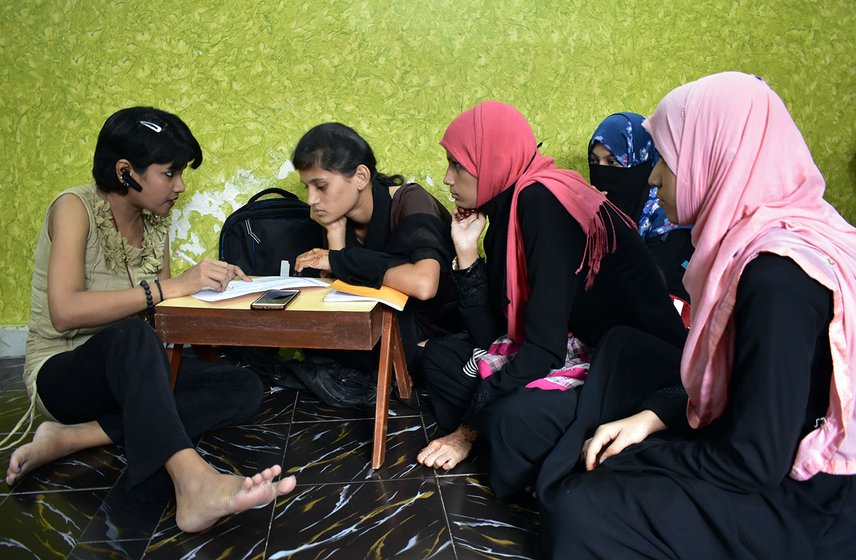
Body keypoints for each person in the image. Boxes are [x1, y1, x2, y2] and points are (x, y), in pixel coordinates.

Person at [538, 72, 856, 559]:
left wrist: (649, 455)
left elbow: (755, 459)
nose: (651, 175)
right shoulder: (785, 236)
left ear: (717, 155)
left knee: (584, 510)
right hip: (773, 451)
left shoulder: (778, 276)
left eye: (666, 157)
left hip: (807, 495)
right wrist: (655, 417)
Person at [1, 107, 296, 533]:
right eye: (169, 173)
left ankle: (73, 437)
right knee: (132, 336)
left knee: (243, 386)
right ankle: (192, 482)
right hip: (64, 372)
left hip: (132, 366)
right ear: (126, 172)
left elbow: (160, 316)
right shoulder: (74, 207)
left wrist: (211, 289)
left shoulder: (155, 225)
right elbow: (64, 313)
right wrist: (170, 287)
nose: (180, 186)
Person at [415, 101, 687, 498]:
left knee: (510, 420)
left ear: (493, 159)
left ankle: (511, 439)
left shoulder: (543, 203)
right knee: (440, 359)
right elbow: (493, 333)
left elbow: (541, 349)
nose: (446, 179)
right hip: (576, 345)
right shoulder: (504, 214)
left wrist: (466, 430)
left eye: (458, 165)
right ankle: (519, 439)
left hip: (633, 366)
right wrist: (466, 251)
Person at [292, 122, 461, 377]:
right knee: (320, 345)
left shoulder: (410, 201)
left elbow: (424, 285)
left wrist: (340, 260)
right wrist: (335, 231)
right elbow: (341, 308)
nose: (311, 200)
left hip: (436, 328)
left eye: (321, 186)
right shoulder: (339, 216)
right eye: (308, 188)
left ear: (361, 176)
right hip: (382, 329)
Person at [588, 112, 693, 301]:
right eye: (594, 161)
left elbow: (646, 288)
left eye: (612, 162)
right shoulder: (597, 211)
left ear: (642, 161)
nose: (601, 172)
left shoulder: (666, 215)